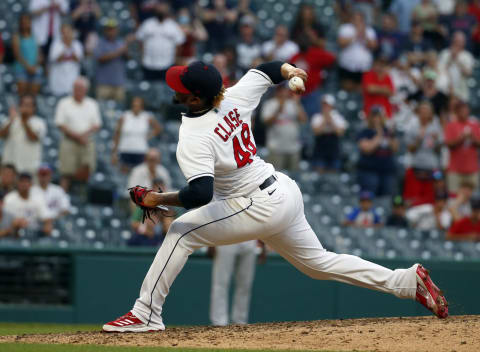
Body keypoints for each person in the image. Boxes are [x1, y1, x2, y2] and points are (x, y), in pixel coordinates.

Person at [103, 60, 448, 333]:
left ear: (195, 98)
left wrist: (157, 200)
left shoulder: (194, 134)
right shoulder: (235, 96)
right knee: (318, 264)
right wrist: (290, 70)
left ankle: (145, 314)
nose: (174, 89)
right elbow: (269, 70)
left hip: (256, 202)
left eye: (181, 87)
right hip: (282, 190)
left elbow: (200, 194)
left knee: (180, 232)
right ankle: (406, 281)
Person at [54, 77, 102, 191]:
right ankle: (63, 197)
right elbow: (60, 124)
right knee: (65, 173)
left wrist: (82, 136)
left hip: (86, 141)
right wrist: (77, 137)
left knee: (87, 169)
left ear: (86, 89)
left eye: (81, 88)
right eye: (76, 88)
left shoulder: (92, 104)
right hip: (69, 141)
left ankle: (81, 198)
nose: (78, 91)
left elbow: (96, 125)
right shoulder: (64, 103)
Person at [209, 240, 262, 326]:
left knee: (245, 285)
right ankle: (219, 323)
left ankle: (240, 322)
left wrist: (262, 242)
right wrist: (211, 241)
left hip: (250, 236)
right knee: (221, 283)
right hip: (226, 235)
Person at [403, 101, 443, 206]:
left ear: (431, 114)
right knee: (413, 199)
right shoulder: (412, 128)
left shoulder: (436, 128)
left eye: (427, 111)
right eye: (422, 111)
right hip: (416, 167)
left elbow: (439, 151)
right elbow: (410, 149)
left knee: (431, 199)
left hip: (432, 168)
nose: (425, 114)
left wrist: (437, 141)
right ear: (418, 113)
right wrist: (419, 138)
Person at [260, 84, 307, 171]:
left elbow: (303, 119)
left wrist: (297, 103)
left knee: (294, 178)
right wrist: (278, 110)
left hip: (293, 148)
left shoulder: (293, 103)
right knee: (276, 177)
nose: (284, 92)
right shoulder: (270, 104)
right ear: (277, 91)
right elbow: (265, 122)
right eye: (282, 90)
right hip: (276, 148)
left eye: (286, 90)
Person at [136, 1, 185, 81]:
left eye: (163, 8)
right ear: (155, 9)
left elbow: (179, 44)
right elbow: (140, 40)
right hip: (148, 63)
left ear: (167, 10)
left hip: (167, 64)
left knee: (166, 90)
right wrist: (142, 56)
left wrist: (175, 59)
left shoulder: (173, 25)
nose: (161, 10)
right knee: (148, 89)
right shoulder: (147, 24)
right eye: (159, 8)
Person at [356, 106, 398, 196]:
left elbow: (395, 148)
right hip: (370, 171)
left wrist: (389, 134)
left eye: (379, 116)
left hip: (387, 171)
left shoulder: (389, 132)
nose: (377, 119)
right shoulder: (365, 132)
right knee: (370, 196)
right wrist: (379, 135)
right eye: (374, 116)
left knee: (387, 197)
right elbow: (367, 149)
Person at [112, 97, 162, 172]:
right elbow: (117, 134)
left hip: (141, 151)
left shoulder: (147, 117)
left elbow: (158, 128)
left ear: (142, 107)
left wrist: (149, 136)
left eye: (138, 106)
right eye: (134, 105)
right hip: (125, 150)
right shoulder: (124, 116)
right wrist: (114, 152)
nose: (136, 108)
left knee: (140, 173)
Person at [0, 95, 46, 175]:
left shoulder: (39, 122)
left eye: (28, 105)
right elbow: (1, 135)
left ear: (34, 107)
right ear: (19, 106)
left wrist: (24, 121)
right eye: (23, 105)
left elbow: (33, 137)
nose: (26, 108)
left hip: (29, 168)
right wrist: (11, 120)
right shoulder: (11, 120)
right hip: (10, 167)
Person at [444, 101, 480, 194]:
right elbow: (448, 145)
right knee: (454, 197)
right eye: (461, 110)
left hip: (472, 169)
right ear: (456, 112)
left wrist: (472, 137)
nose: (464, 112)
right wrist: (461, 138)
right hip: (455, 170)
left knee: (473, 200)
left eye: (465, 109)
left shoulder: (475, 125)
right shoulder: (451, 125)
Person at [94, 19, 132, 103]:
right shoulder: (100, 43)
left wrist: (126, 50)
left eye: (113, 29)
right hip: (104, 84)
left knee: (120, 109)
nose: (111, 31)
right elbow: (100, 58)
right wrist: (120, 51)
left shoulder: (121, 42)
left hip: (119, 83)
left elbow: (129, 58)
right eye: (109, 29)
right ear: (105, 30)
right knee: (102, 109)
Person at [337, 12, 377, 91]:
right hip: (347, 65)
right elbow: (341, 43)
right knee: (347, 88)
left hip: (364, 67)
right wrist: (356, 34)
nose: (357, 21)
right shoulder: (345, 28)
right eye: (355, 19)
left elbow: (374, 46)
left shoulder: (369, 30)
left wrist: (364, 35)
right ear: (351, 19)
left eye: (359, 19)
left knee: (361, 90)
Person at [128, 178, 173, 247]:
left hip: (165, 239)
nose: (159, 193)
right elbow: (134, 223)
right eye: (156, 191)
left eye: (161, 190)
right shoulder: (143, 205)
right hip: (145, 238)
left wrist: (167, 226)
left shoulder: (171, 206)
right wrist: (145, 228)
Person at [310, 95, 348, 173]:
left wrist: (330, 121)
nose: (325, 107)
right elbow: (316, 132)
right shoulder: (317, 117)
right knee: (319, 173)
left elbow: (340, 133)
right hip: (320, 151)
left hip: (334, 151)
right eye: (324, 105)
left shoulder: (338, 117)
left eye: (327, 105)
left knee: (333, 174)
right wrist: (325, 120)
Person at [48, 23, 84, 96]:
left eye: (68, 32)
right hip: (58, 81)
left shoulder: (77, 45)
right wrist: (65, 47)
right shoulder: (56, 44)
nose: (66, 34)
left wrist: (71, 46)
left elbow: (79, 60)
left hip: (72, 80)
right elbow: (55, 59)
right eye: (64, 32)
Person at [438, 31, 474, 102]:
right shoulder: (445, 53)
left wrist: (457, 59)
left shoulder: (467, 56)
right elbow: (440, 70)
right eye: (456, 41)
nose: (457, 43)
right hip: (445, 90)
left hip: (461, 91)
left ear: (464, 43)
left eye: (460, 41)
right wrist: (451, 58)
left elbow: (468, 73)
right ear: (452, 41)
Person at [12, 13, 43, 96]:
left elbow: (39, 54)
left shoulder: (35, 37)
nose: (26, 24)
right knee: (22, 95)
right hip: (21, 68)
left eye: (28, 22)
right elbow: (17, 55)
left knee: (33, 96)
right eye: (24, 22)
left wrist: (35, 66)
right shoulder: (17, 37)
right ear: (21, 24)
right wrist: (28, 67)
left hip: (34, 68)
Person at [362, 54, 395, 118]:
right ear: (374, 64)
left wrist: (377, 88)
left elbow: (391, 93)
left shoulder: (387, 77)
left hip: (386, 113)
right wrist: (384, 89)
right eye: (378, 64)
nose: (380, 67)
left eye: (383, 65)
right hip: (370, 113)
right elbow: (370, 89)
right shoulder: (368, 74)